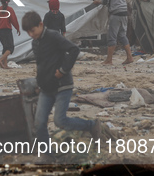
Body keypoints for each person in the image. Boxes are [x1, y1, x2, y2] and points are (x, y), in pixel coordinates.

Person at [21, 11, 104, 147]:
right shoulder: (35, 43)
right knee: (39, 122)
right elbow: (41, 66)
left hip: (62, 86)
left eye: (32, 30)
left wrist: (63, 70)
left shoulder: (53, 36)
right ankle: (46, 154)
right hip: (46, 89)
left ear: (40, 25)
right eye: (28, 32)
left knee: (60, 121)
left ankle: (92, 125)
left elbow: (74, 50)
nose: (31, 34)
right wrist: (39, 84)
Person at [93, 0, 134, 65]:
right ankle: (129, 57)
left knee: (112, 37)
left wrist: (97, 2)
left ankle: (109, 60)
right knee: (122, 36)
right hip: (124, 13)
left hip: (116, 14)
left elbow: (105, 1)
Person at [0, 0, 20, 69]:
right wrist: (17, 28)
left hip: (0, 31)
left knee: (5, 47)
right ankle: (1, 59)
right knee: (10, 48)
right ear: (8, 0)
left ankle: (5, 65)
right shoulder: (10, 9)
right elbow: (14, 20)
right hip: (7, 30)